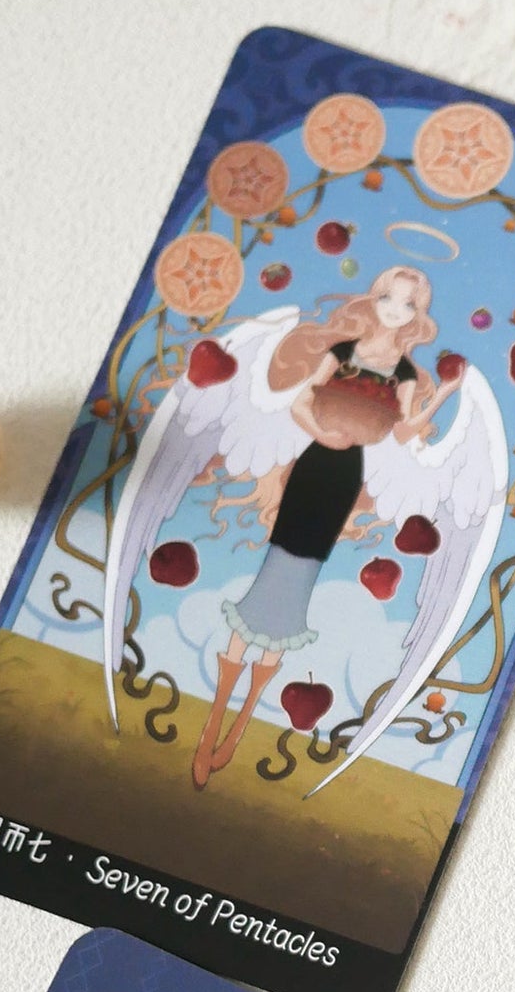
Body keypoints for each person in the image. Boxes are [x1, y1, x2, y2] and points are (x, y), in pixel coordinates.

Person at [191, 265, 462, 786]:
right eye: (388, 298)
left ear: (417, 315)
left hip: (345, 477)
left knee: (300, 581)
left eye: (407, 304)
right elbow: (300, 401)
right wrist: (321, 432)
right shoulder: (342, 352)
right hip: (316, 462)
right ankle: (211, 729)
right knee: (276, 568)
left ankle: (236, 731)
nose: (395, 310)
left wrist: (445, 392)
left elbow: (404, 433)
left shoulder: (406, 374)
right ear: (374, 299)